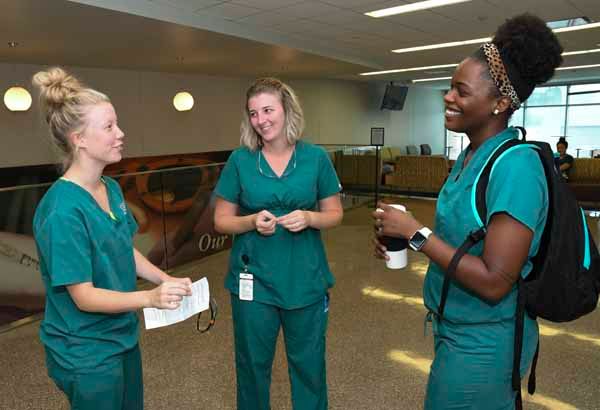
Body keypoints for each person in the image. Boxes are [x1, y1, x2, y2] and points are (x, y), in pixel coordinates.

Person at [373, 14, 563, 409]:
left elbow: (495, 280)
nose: (448, 97)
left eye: (461, 91)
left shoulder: (516, 167)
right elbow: (464, 241)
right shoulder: (471, 155)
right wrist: (402, 237)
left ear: (500, 103)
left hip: (486, 342)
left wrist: (416, 234)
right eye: (449, 87)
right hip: (453, 327)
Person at [32, 67, 193, 410]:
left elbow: (123, 250)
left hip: (121, 336)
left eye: (117, 123)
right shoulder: (62, 211)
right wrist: (150, 298)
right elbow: (84, 297)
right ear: (79, 139)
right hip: (86, 351)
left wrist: (165, 279)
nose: (120, 134)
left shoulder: (111, 188)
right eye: (109, 127)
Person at [214, 77, 343, 410]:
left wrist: (310, 218)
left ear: (287, 110)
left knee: (309, 365)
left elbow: (334, 213)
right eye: (254, 113)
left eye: (268, 110)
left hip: (305, 279)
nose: (261, 120)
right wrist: (251, 221)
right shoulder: (240, 161)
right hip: (253, 281)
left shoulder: (315, 158)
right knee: (252, 367)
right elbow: (221, 220)